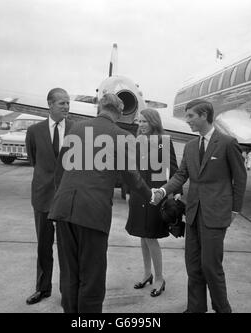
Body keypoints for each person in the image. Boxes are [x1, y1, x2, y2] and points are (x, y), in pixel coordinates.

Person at [48, 93, 153, 313]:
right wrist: (149, 195)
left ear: (100, 108)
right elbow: (131, 177)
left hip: (64, 208)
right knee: (92, 277)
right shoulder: (122, 135)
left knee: (69, 273)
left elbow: (60, 170)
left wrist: (61, 198)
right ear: (120, 112)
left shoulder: (75, 128)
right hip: (93, 213)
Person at [152, 99, 247, 313]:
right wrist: (163, 191)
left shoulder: (227, 143)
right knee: (193, 265)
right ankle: (195, 308)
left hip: (216, 214)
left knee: (211, 267)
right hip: (193, 213)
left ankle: (223, 309)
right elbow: (181, 175)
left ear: (204, 115)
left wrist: (234, 209)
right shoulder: (190, 146)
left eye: (191, 116)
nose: (187, 121)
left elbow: (240, 178)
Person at [125, 108, 182, 297]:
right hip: (138, 194)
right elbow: (129, 169)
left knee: (151, 236)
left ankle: (159, 278)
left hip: (155, 195)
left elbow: (174, 169)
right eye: (139, 121)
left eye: (144, 122)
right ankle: (147, 274)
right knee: (143, 235)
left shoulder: (163, 143)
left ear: (154, 123)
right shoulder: (136, 142)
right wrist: (127, 191)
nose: (140, 125)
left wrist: (176, 192)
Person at [25, 88, 73, 305]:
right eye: (61, 103)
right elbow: (34, 159)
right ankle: (42, 289)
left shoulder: (76, 129)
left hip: (66, 197)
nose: (66, 107)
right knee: (43, 245)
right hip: (42, 196)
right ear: (50, 105)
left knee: (67, 248)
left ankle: (67, 291)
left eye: (67, 103)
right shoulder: (34, 131)